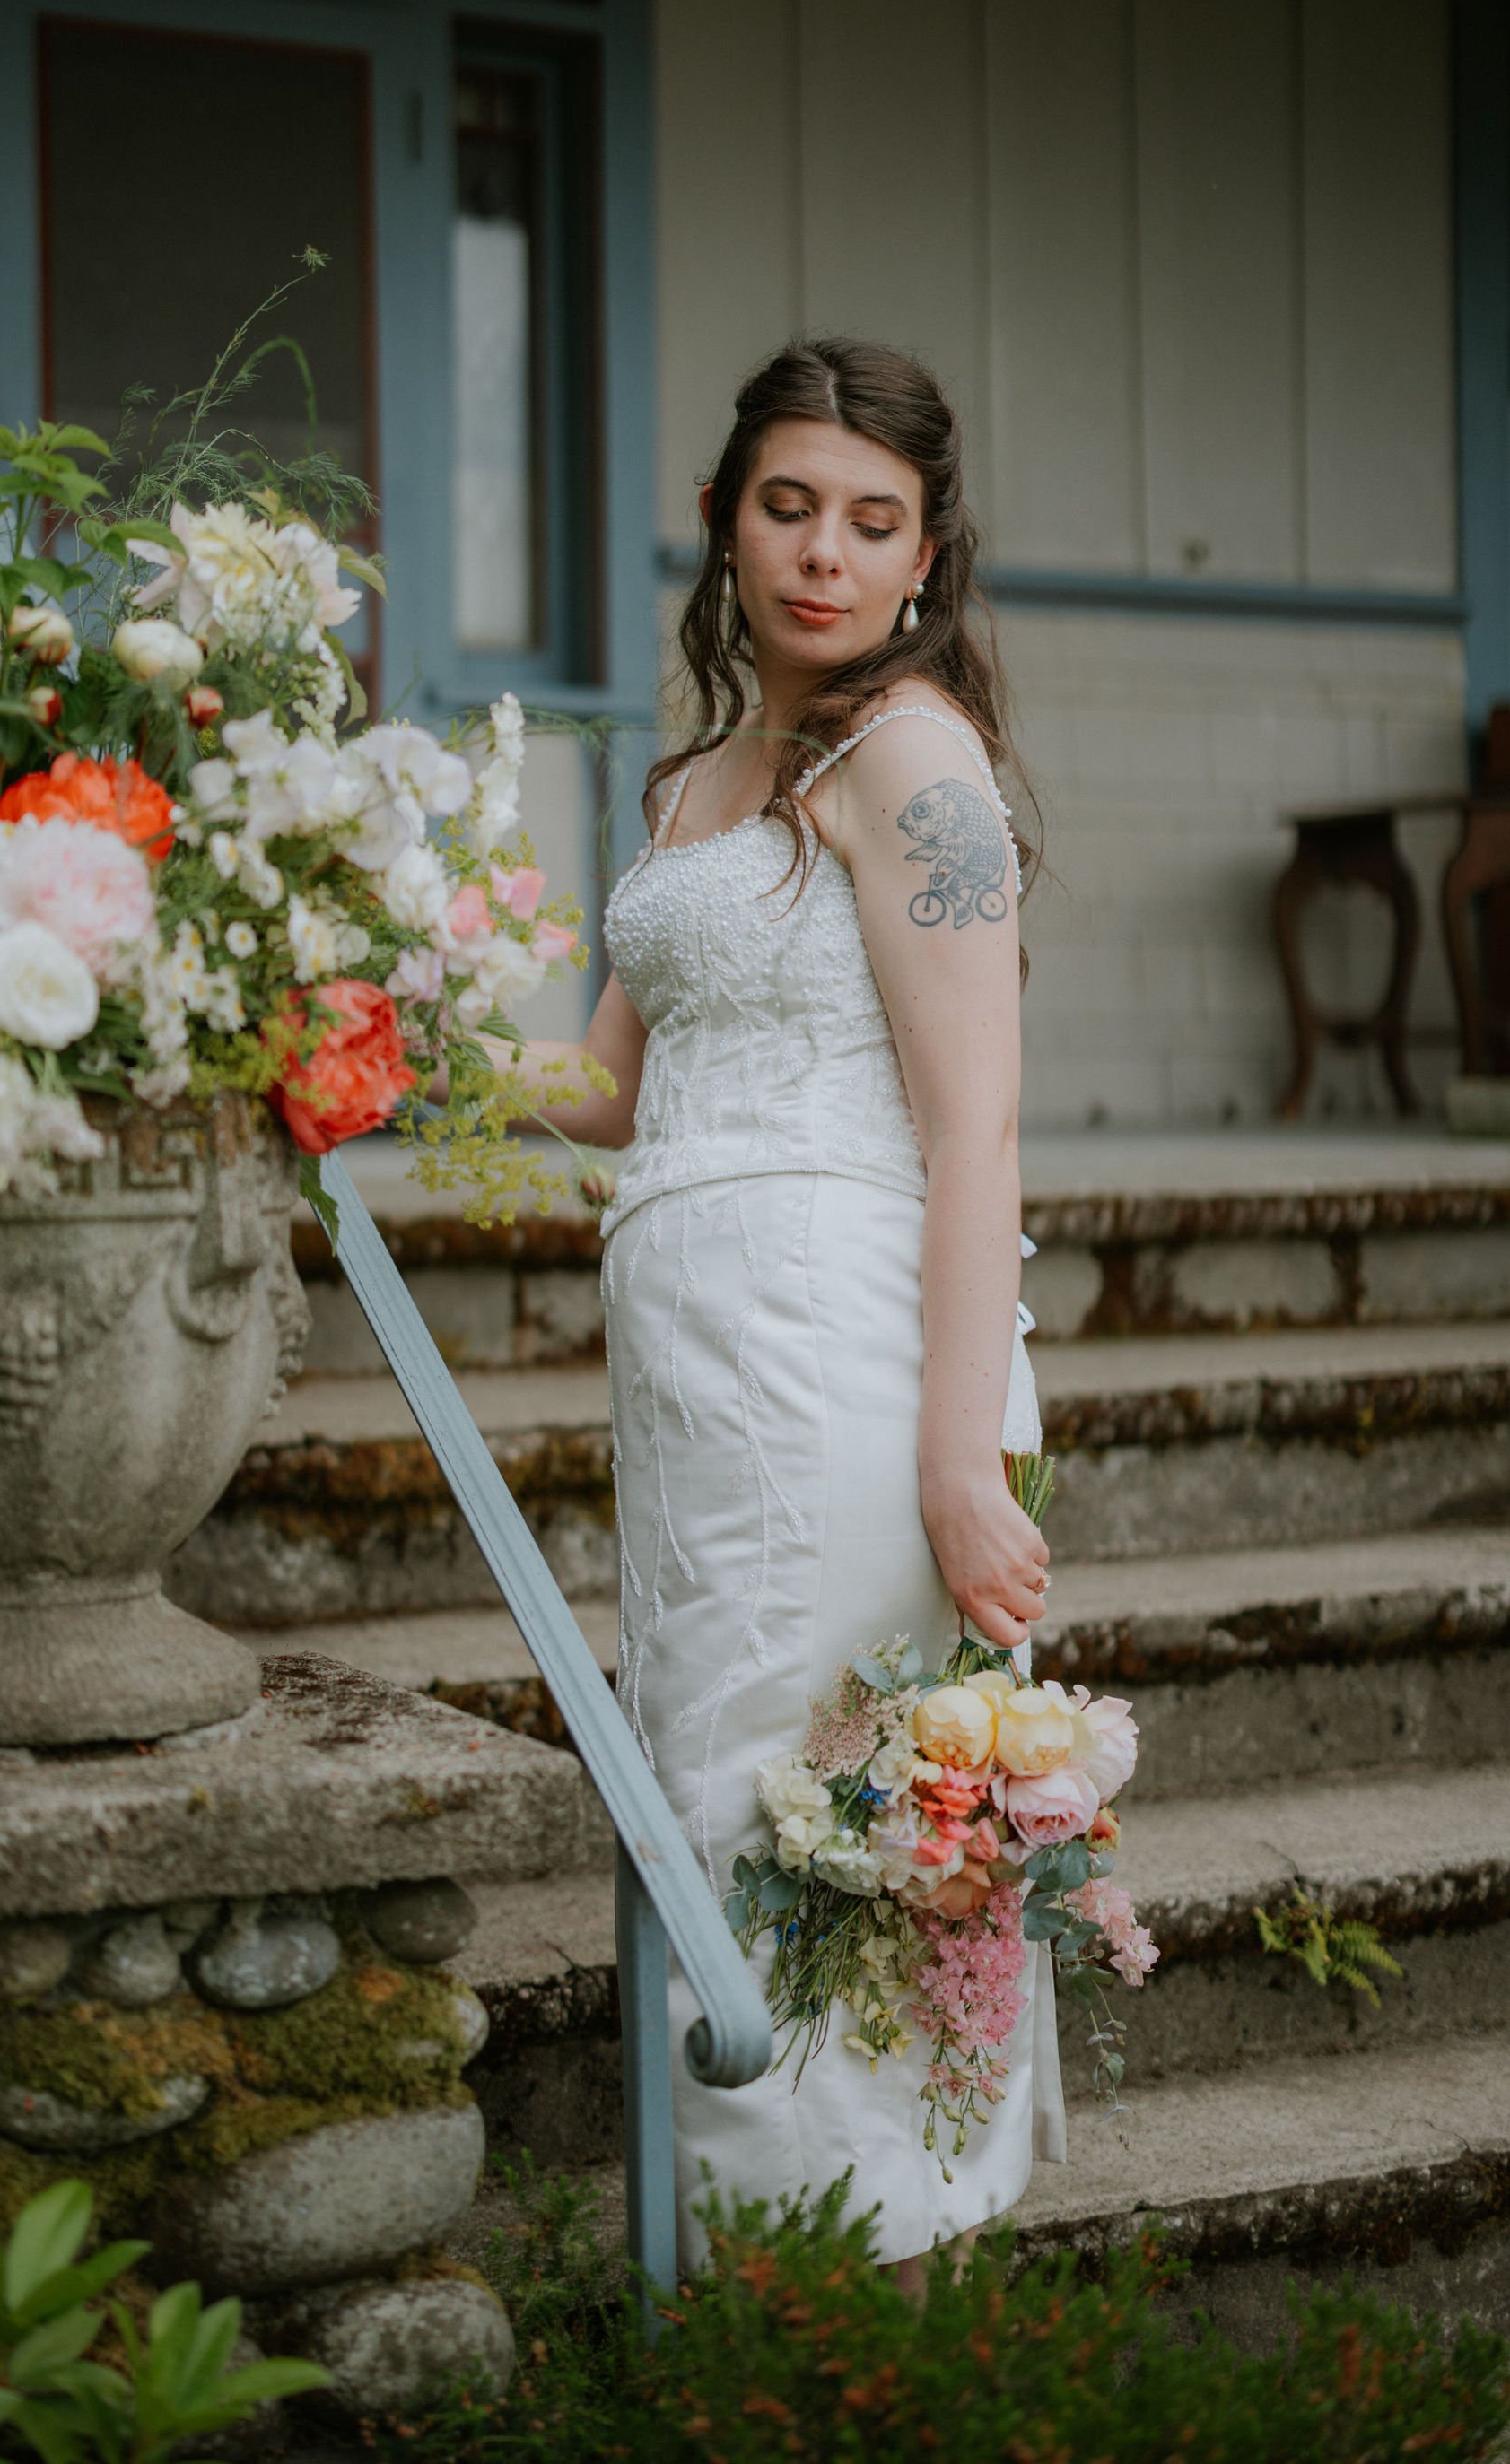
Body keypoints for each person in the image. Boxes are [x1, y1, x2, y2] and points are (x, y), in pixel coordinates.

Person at [494, 336, 1064, 2271]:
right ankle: (730, 2262)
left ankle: (862, 2258)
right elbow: (602, 1088)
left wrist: (957, 1459)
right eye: (787, 504)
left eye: (871, 521)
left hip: (845, 1357)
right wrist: (376, 1033)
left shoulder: (914, 758)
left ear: (925, 559)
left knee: (819, 1786)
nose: (822, 553)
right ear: (728, 525)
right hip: (685, 1358)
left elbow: (975, 1128)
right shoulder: (697, 778)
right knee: (705, 1782)